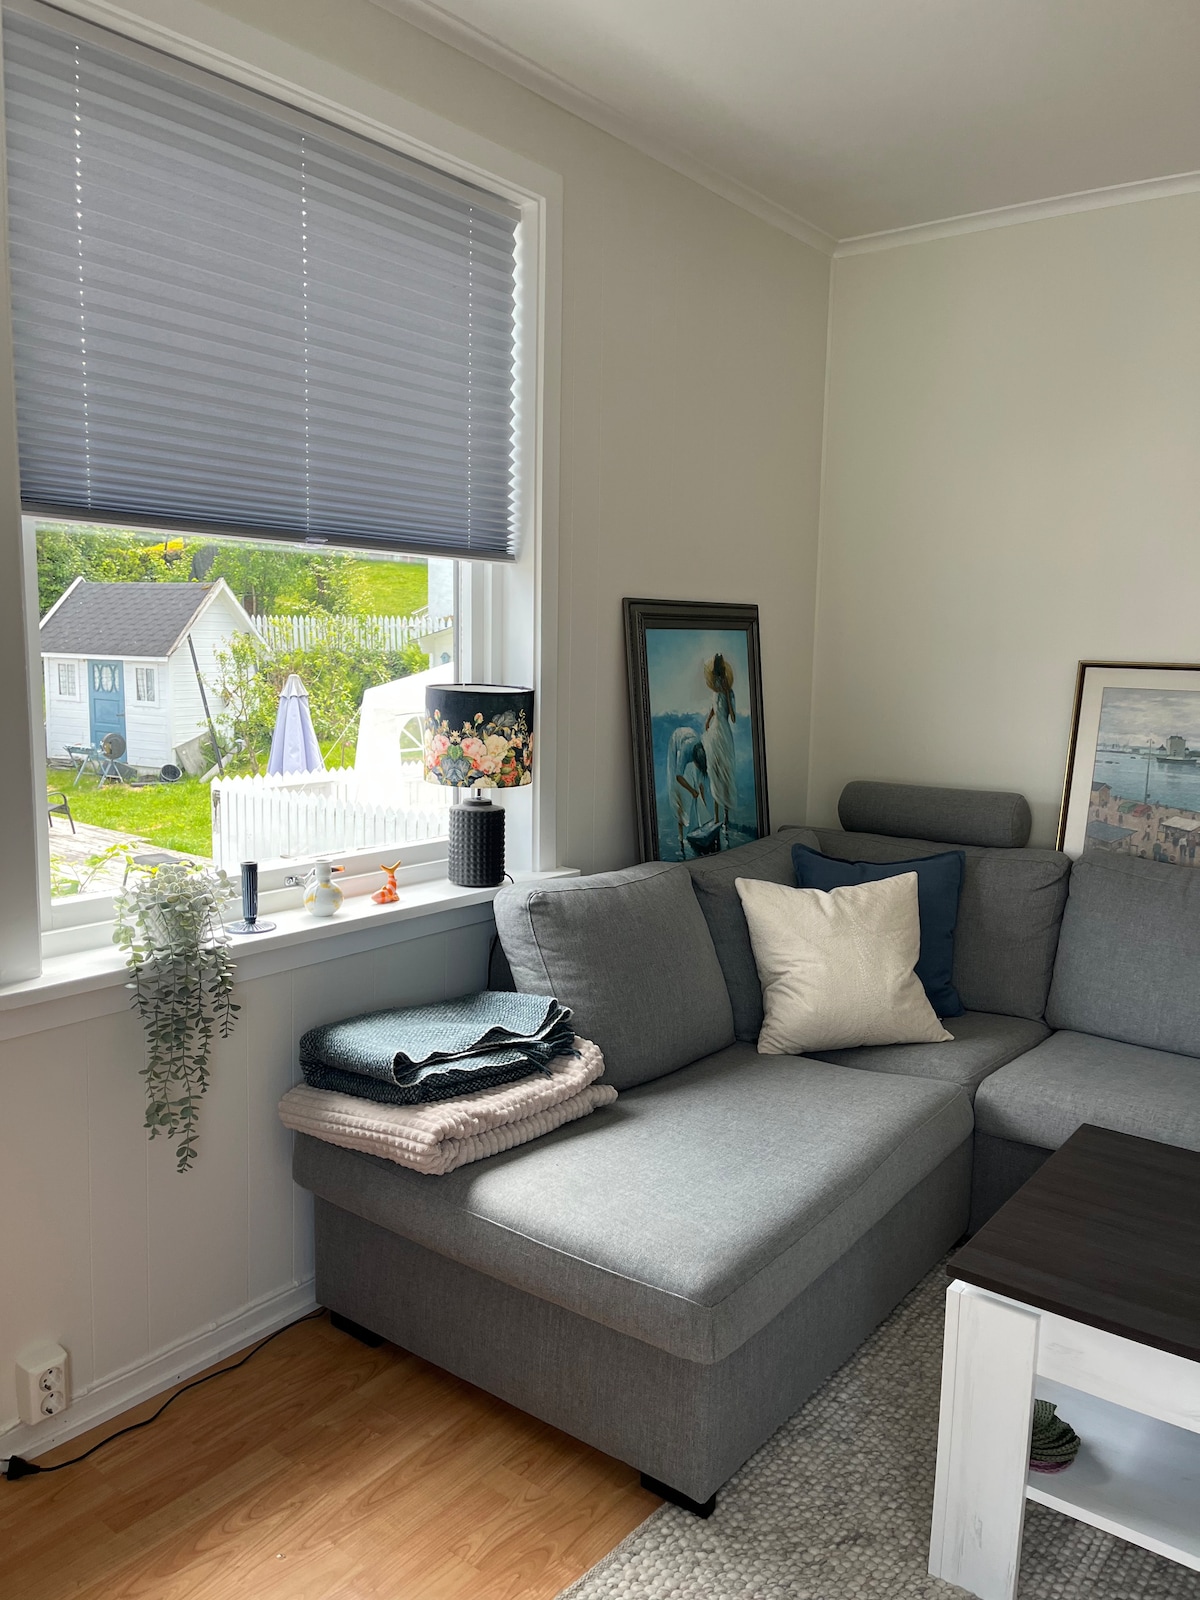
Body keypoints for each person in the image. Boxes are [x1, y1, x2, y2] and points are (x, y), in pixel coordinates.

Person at [703, 653, 737, 845]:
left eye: (720, 677)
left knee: (725, 773)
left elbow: (732, 718)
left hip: (724, 733)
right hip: (714, 734)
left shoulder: (728, 693)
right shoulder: (715, 692)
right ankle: (716, 818)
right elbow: (713, 709)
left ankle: (725, 818)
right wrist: (708, 720)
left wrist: (727, 696)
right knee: (714, 772)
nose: (718, 680)